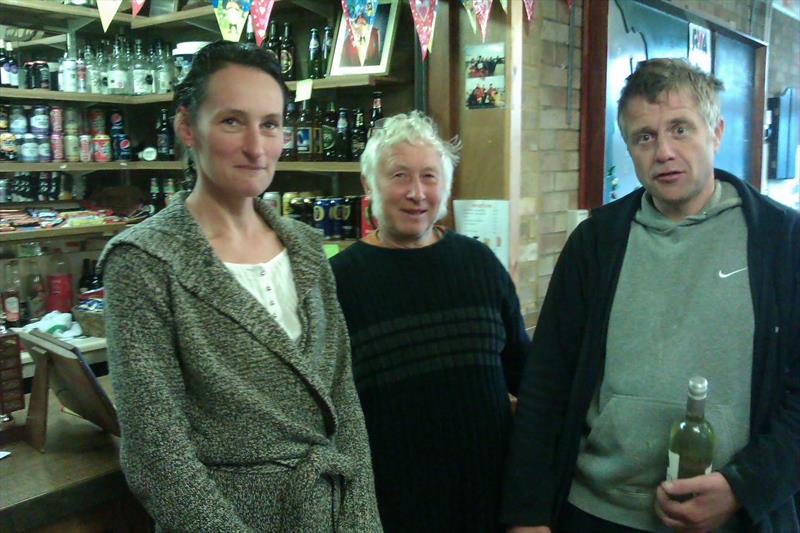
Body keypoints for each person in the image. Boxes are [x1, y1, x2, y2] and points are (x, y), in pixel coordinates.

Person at [502, 58, 799, 532]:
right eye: (645, 137)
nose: (663, 151)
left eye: (680, 129)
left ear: (716, 132)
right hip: (596, 513)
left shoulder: (781, 242)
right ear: (630, 148)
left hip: (731, 518)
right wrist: (527, 515)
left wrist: (744, 488)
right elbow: (547, 384)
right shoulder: (596, 243)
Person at [99, 41, 382, 532]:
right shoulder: (144, 262)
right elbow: (156, 453)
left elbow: (344, 405)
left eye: (270, 124)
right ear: (188, 127)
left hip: (329, 512)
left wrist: (361, 523)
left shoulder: (307, 248)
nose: (257, 147)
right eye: (233, 121)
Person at [330, 111, 530, 532]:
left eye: (429, 177)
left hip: (491, 509)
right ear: (369, 184)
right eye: (399, 176)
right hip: (391, 514)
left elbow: (528, 378)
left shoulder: (480, 264)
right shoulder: (339, 283)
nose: (416, 193)